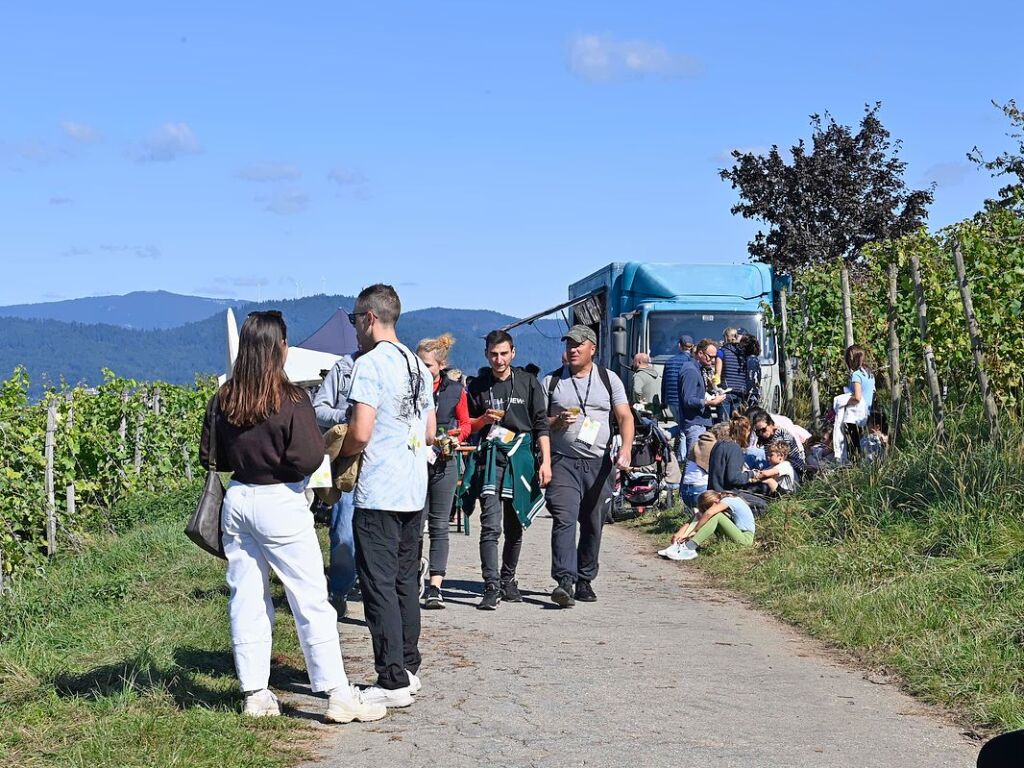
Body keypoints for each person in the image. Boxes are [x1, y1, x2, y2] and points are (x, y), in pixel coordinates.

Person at [200, 310, 384, 723]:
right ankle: (337, 692)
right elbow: (307, 457)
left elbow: (212, 456)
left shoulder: (224, 397)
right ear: (278, 347)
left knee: (246, 597)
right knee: (310, 600)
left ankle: (255, 692)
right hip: (281, 502)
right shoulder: (292, 398)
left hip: (239, 499)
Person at [340, 284, 436, 708]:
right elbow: (431, 431)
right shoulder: (418, 364)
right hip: (414, 486)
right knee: (403, 583)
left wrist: (337, 454)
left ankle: (391, 679)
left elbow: (360, 432)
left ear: (369, 318)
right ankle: (409, 668)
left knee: (377, 586)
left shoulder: (370, 363)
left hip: (379, 488)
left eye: (354, 320)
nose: (355, 329)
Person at [543, 324, 633, 608]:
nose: (572, 349)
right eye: (569, 345)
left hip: (598, 463)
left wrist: (627, 450)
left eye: (578, 344)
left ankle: (585, 579)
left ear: (592, 348)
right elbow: (539, 425)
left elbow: (625, 417)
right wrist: (556, 422)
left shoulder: (609, 380)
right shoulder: (552, 382)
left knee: (593, 523)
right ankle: (564, 581)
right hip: (563, 461)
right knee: (564, 519)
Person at [463, 330, 551, 610]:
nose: (498, 359)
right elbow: (469, 427)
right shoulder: (478, 385)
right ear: (486, 354)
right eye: (493, 354)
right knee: (490, 525)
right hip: (490, 459)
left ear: (513, 353)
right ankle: (490, 586)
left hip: (521, 457)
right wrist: (481, 420)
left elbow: (541, 425)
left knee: (515, 526)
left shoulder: (528, 382)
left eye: (503, 353)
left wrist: (546, 462)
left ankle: (507, 579)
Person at [416, 334, 472, 611]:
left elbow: (466, 423)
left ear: (440, 365)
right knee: (413, 525)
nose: (423, 370)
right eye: (419, 364)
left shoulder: (455, 390)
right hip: (414, 463)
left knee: (439, 526)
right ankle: (411, 577)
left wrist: (456, 435)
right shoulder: (409, 387)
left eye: (428, 365)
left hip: (444, 460)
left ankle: (435, 585)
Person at [312, 352, 360, 618]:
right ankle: (340, 590)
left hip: (385, 467)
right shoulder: (343, 369)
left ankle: (379, 599)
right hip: (347, 468)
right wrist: (346, 415)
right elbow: (318, 408)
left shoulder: (396, 364)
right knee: (343, 533)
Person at [658, 490, 755, 561]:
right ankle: (678, 544)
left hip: (745, 538)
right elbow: (699, 515)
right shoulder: (723, 501)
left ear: (715, 502)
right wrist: (680, 533)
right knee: (702, 516)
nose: (706, 512)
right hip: (737, 535)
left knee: (716, 516)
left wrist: (695, 531)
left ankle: (689, 547)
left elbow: (708, 514)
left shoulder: (729, 501)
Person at [678, 339, 726, 463]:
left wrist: (710, 389)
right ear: (700, 354)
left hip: (699, 422)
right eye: (710, 357)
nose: (714, 361)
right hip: (694, 423)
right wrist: (711, 402)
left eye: (715, 357)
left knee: (696, 464)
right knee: (695, 463)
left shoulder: (697, 369)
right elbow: (688, 400)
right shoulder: (691, 371)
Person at [839, 344, 876, 461]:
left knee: (853, 448)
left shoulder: (856, 375)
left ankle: (854, 468)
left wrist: (843, 400)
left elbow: (858, 397)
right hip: (866, 414)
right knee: (863, 444)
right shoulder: (869, 373)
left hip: (854, 416)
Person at [661, 335, 694, 461]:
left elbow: (664, 384)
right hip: (685, 400)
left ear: (679, 346)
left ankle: (667, 434)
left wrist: (664, 402)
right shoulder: (691, 362)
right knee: (684, 428)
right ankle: (683, 457)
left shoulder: (669, 362)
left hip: (672, 400)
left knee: (681, 426)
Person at [749, 411, 807, 475]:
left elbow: (783, 459)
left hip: (793, 469)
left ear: (771, 424)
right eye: (758, 431)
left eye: (763, 430)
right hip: (777, 467)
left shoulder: (782, 433)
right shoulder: (766, 439)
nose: (761, 434)